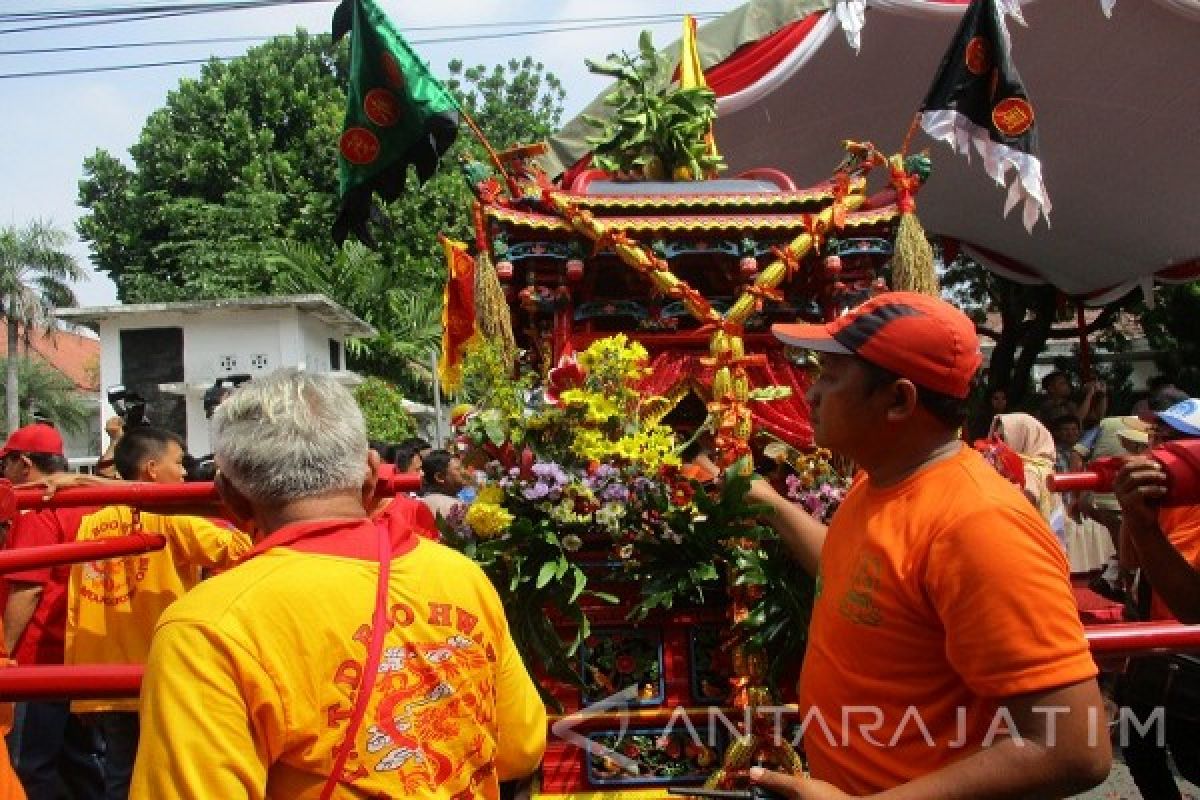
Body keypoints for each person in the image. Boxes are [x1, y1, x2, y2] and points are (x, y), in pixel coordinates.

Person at [747, 292, 1109, 799]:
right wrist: (771, 505)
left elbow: (1073, 749)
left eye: (830, 376)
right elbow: (857, 574)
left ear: (899, 400)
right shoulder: (877, 484)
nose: (810, 394)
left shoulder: (979, 525)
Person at [129, 369, 547, 798]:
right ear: (371, 472)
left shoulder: (208, 627)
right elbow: (520, 747)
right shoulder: (459, 576)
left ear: (229, 495)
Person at [67, 426, 252, 800]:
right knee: (171, 774)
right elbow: (242, 547)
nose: (185, 473)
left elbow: (79, 605)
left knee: (120, 774)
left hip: (105, 675)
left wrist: (78, 684)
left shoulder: (90, 524)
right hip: (159, 669)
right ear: (152, 469)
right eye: (179, 464)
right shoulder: (171, 520)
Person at [0, 424, 105, 800]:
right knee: (80, 763)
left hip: (37, 657)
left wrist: (4, 653)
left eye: (7, 464)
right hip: (81, 652)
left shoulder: (37, 509)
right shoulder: (90, 501)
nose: (5, 474)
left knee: (30, 765)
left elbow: (27, 587)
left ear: (24, 463)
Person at [1111, 397, 1200, 799]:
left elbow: (1192, 603)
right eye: (1159, 436)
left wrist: (1146, 529)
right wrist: (1135, 515)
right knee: (1140, 751)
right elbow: (1131, 563)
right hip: (1156, 653)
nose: (1159, 449)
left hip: (1190, 661)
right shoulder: (1165, 499)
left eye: (1175, 440)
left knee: (1193, 759)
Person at [988, 413, 1067, 547]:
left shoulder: (1030, 470)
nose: (997, 445)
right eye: (995, 439)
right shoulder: (1044, 465)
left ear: (1023, 437)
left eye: (1002, 438)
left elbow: (1022, 502)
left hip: (1032, 544)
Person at [420, 448, 467, 520]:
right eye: (458, 469)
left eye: (463, 467)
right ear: (439, 477)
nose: (464, 472)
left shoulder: (422, 503)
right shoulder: (455, 507)